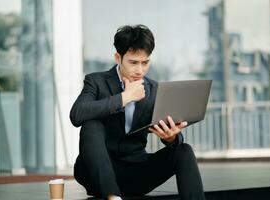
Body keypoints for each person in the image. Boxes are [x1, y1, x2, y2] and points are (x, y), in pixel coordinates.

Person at [70, 24, 206, 200]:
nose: (140, 70)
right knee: (91, 124)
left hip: (135, 172)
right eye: (133, 62)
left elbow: (173, 139)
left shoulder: (154, 89)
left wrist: (171, 138)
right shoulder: (96, 81)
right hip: (96, 172)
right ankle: (113, 197)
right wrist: (125, 97)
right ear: (118, 58)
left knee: (184, 150)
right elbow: (76, 114)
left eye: (145, 62)